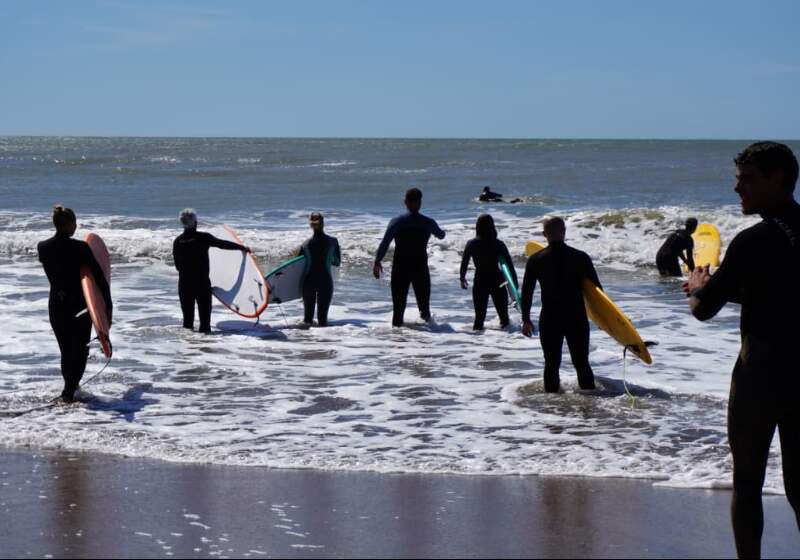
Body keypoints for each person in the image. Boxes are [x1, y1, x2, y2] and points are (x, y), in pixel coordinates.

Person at [684, 141, 800, 559]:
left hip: (761, 377)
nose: (737, 189)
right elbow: (781, 292)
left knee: (748, 482)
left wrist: (698, 286)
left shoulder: (753, 240)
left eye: (747, 179)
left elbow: (704, 309)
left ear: (778, 179)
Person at [38, 205, 112, 403]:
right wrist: (107, 305)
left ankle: (70, 389)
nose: (76, 226)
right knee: (80, 350)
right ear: (69, 224)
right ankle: (69, 391)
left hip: (57, 304)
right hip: (79, 306)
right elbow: (99, 278)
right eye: (74, 223)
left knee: (66, 351)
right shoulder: (80, 248)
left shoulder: (43, 247)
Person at [520, 217, 601, 392]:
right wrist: (603, 320)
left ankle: (551, 404)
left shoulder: (535, 260)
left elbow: (526, 293)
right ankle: (591, 403)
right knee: (581, 363)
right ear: (564, 232)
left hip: (550, 318)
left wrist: (526, 319)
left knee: (551, 364)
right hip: (576, 317)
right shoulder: (580, 257)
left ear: (544, 234)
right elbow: (597, 292)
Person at [373, 188, 446, 327]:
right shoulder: (428, 222)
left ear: (405, 202)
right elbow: (441, 235)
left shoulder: (397, 221)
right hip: (420, 267)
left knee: (398, 311)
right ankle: (430, 338)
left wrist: (377, 261)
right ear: (420, 203)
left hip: (400, 267)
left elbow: (385, 243)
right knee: (425, 311)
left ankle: (397, 338)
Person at [172, 209, 250, 333]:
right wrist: (241, 247)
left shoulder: (177, 241)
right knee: (205, 324)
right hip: (202, 284)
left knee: (187, 323)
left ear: (182, 223)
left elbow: (178, 266)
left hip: (184, 285)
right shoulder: (203, 237)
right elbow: (222, 244)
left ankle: (188, 344)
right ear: (195, 222)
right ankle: (205, 344)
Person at [459, 214, 517, 330]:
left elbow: (464, 262)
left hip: (480, 281)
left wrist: (462, 278)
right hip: (498, 282)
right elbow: (509, 266)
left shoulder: (472, 244)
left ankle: (476, 340)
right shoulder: (499, 244)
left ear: (477, 227)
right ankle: (508, 339)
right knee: (504, 318)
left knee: (479, 319)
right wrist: (514, 286)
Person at [299, 212, 341, 327]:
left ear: (310, 225)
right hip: (325, 281)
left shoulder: (305, 244)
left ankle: (303, 338)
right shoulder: (333, 242)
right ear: (323, 224)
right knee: (322, 321)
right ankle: (322, 339)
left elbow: (298, 265)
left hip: (308, 283)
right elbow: (336, 262)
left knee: (307, 321)